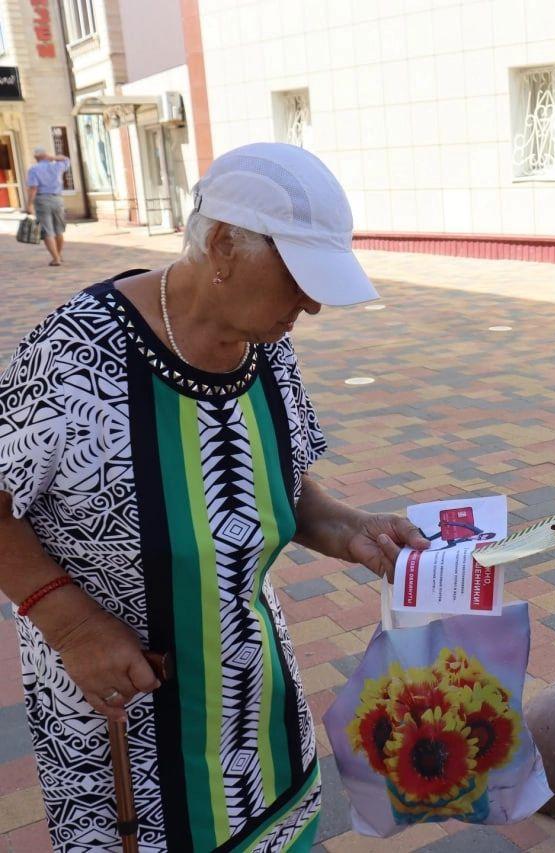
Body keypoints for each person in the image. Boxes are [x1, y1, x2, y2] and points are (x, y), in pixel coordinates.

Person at [0, 142, 429, 851]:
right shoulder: (75, 354)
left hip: (251, 697)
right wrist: (70, 623)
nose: (314, 304)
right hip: (123, 718)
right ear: (224, 246)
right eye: (300, 277)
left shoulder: (266, 344)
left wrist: (354, 528)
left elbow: (280, 483)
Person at [25, 145, 71, 266]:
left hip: (42, 200)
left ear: (35, 157)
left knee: (47, 231)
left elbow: (33, 188)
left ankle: (56, 258)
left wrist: (29, 205)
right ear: (46, 155)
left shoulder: (33, 169)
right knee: (59, 230)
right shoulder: (57, 166)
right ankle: (59, 254)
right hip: (57, 199)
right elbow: (66, 159)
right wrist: (52, 157)